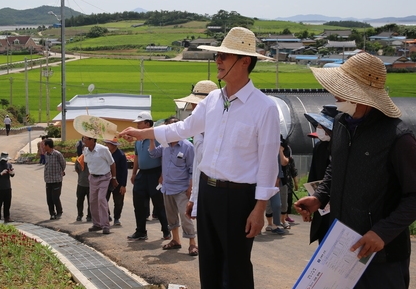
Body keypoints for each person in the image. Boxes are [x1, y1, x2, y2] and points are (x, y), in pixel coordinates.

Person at [121, 27, 280, 288]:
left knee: (236, 266)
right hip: (209, 192)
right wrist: (144, 133)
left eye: (224, 56)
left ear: (245, 61)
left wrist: (259, 209)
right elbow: (183, 129)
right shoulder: (213, 100)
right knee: (209, 262)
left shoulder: (264, 108)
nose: (217, 61)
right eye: (217, 55)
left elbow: (267, 163)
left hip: (239, 197)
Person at [295, 52, 416, 288]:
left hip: (381, 255)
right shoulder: (341, 123)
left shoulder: (397, 137)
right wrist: (320, 197)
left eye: (341, 88)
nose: (334, 94)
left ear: (360, 95)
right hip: (341, 246)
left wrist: (382, 233)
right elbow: (335, 166)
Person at [149, 117, 198, 256]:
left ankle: (193, 244)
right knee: (171, 216)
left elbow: (192, 169)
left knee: (185, 216)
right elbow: (153, 154)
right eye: (167, 128)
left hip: (182, 188)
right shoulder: (164, 145)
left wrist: (190, 187)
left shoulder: (188, 147)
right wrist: (152, 138)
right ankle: (175, 240)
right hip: (167, 187)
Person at [174, 79, 218, 219]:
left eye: (196, 105)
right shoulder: (198, 130)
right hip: (203, 190)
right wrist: (194, 198)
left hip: (219, 191)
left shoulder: (219, 129)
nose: (193, 108)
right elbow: (197, 166)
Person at [126, 111, 170, 242]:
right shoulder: (138, 141)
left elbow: (164, 156)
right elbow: (137, 157)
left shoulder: (157, 138)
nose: (138, 126)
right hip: (142, 174)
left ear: (147, 123)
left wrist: (162, 174)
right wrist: (134, 173)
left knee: (159, 204)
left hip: (155, 173)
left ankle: (166, 230)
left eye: (140, 123)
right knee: (138, 203)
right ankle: (140, 231)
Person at [303, 107, 336, 244]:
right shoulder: (320, 148)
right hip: (322, 205)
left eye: (321, 126)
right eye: (317, 125)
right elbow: (314, 177)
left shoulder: (346, 148)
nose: (318, 129)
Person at [82, 136, 117, 234]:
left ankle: (105, 225)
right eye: (83, 139)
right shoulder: (86, 150)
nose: (84, 141)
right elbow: (87, 163)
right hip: (93, 178)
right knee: (92, 201)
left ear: (92, 140)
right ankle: (97, 224)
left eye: (86, 139)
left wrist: (114, 178)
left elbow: (112, 163)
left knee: (101, 199)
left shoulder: (103, 149)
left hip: (104, 177)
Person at [104, 138, 128, 226]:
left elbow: (124, 171)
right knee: (103, 199)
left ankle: (117, 218)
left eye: (108, 144)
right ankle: (107, 215)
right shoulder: (106, 153)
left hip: (118, 182)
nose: (106, 146)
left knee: (118, 201)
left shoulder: (120, 155)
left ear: (113, 145)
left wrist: (123, 185)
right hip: (106, 180)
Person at [43, 138, 66, 220]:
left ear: (48, 145)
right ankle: (52, 213)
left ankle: (59, 211)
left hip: (56, 180)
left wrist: (61, 171)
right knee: (49, 198)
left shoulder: (57, 154)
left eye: (44, 145)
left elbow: (63, 163)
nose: (43, 147)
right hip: (48, 180)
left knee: (55, 197)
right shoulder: (46, 154)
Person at [0, 152, 15, 223]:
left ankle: (7, 217)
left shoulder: (9, 165)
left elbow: (12, 174)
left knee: (7, 203)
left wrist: (11, 172)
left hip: (7, 187)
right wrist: (1, 173)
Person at [74, 148, 91, 222]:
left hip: (91, 184)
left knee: (91, 201)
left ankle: (89, 216)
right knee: (80, 200)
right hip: (81, 183)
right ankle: (79, 215)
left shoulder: (92, 159)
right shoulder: (79, 160)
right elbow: (77, 170)